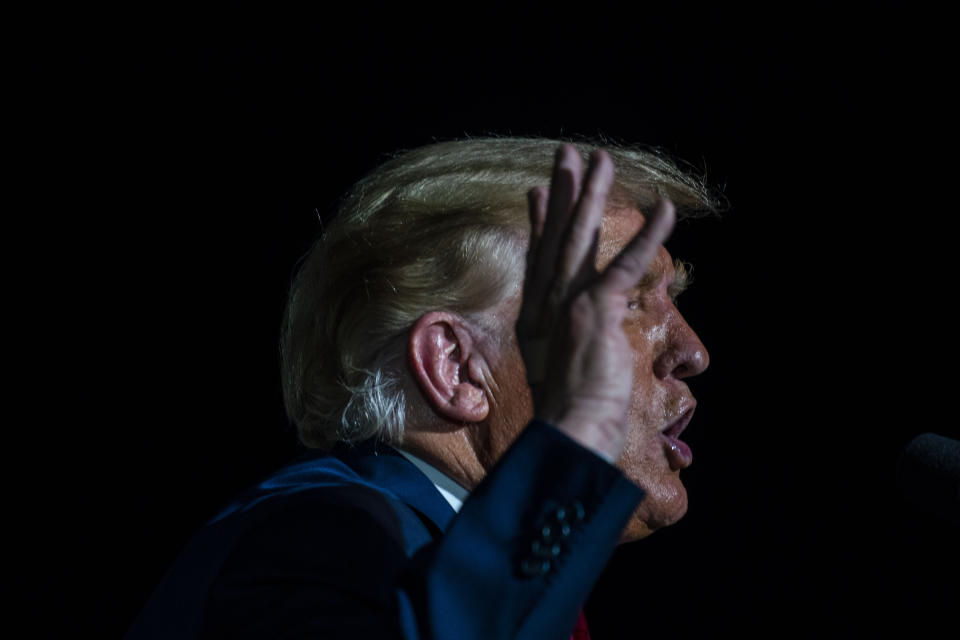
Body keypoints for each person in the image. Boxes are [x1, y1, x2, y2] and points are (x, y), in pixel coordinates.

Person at [125, 138, 719, 639]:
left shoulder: (463, 566)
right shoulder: (322, 538)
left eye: (674, 299)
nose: (693, 351)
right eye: (625, 301)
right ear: (456, 367)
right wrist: (575, 435)